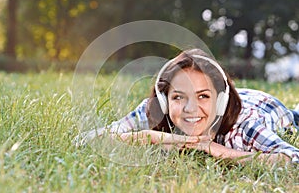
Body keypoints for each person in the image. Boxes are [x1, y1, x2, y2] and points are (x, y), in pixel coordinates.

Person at [75, 48, 299, 164]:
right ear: (164, 100)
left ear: (220, 100)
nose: (190, 109)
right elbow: (87, 140)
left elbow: (291, 160)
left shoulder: (244, 125)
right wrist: (152, 137)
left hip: (268, 107)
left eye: (203, 96)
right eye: (179, 97)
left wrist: (217, 151)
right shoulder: (154, 110)